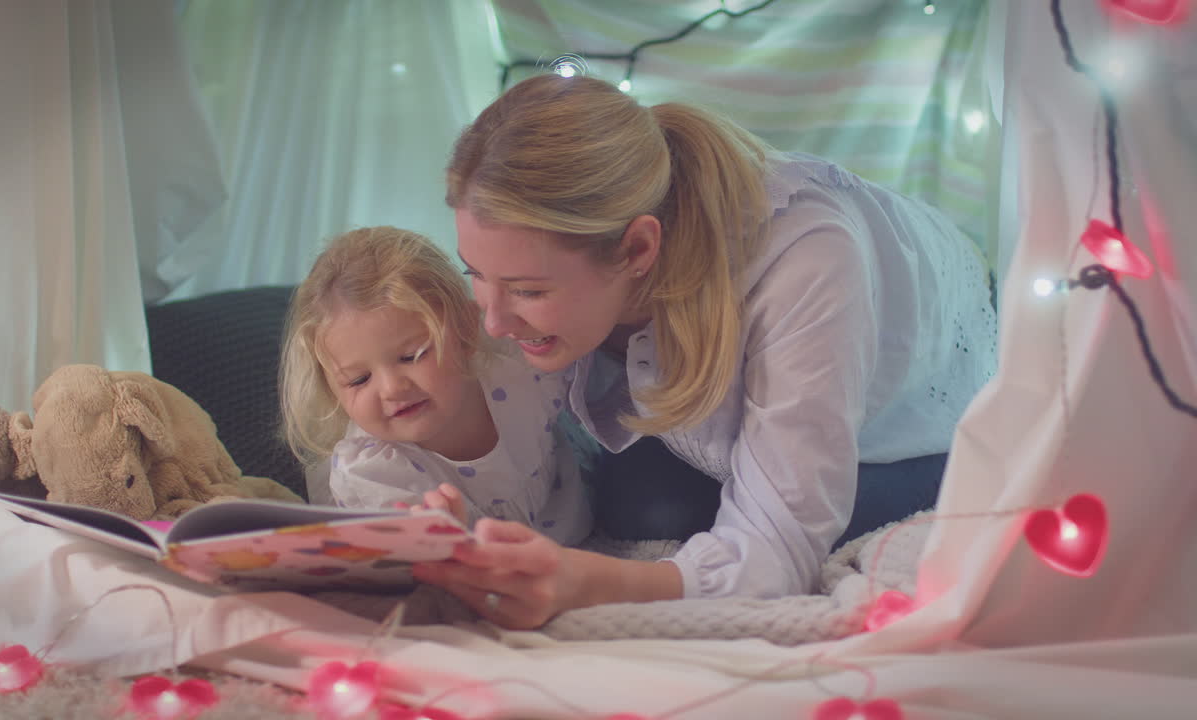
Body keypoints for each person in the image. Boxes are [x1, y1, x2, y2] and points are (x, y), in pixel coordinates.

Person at [411, 73, 997, 629]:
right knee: (641, 507)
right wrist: (466, 517)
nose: (492, 320)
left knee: (690, 517)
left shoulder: (806, 260)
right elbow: (510, 439)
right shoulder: (534, 272)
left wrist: (586, 583)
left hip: (922, 395)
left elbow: (778, 549)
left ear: (638, 249)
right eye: (476, 274)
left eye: (528, 291)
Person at [281, 226, 592, 547]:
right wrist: (442, 545)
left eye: (412, 355)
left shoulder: (515, 368)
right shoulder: (372, 475)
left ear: (466, 331)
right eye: (359, 380)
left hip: (576, 538)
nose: (391, 389)